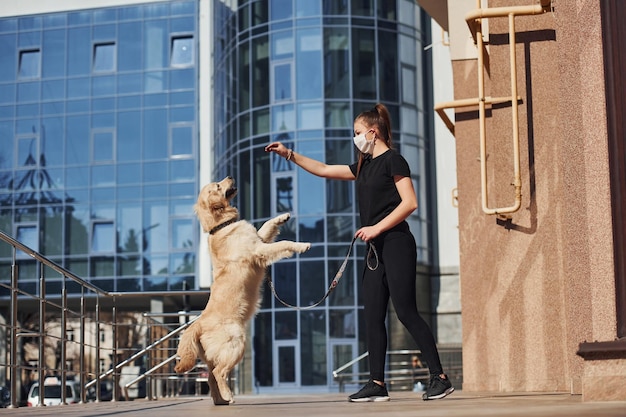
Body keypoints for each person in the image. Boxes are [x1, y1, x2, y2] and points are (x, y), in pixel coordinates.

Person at [265, 103, 454, 402]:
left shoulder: (394, 160)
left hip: (396, 243)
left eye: (356, 133)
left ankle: (439, 377)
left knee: (405, 311)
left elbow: (409, 203)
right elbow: (325, 170)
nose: (355, 138)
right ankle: (377, 383)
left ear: (372, 131)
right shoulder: (364, 166)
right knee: (372, 317)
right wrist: (289, 154)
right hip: (375, 249)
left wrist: (376, 228)